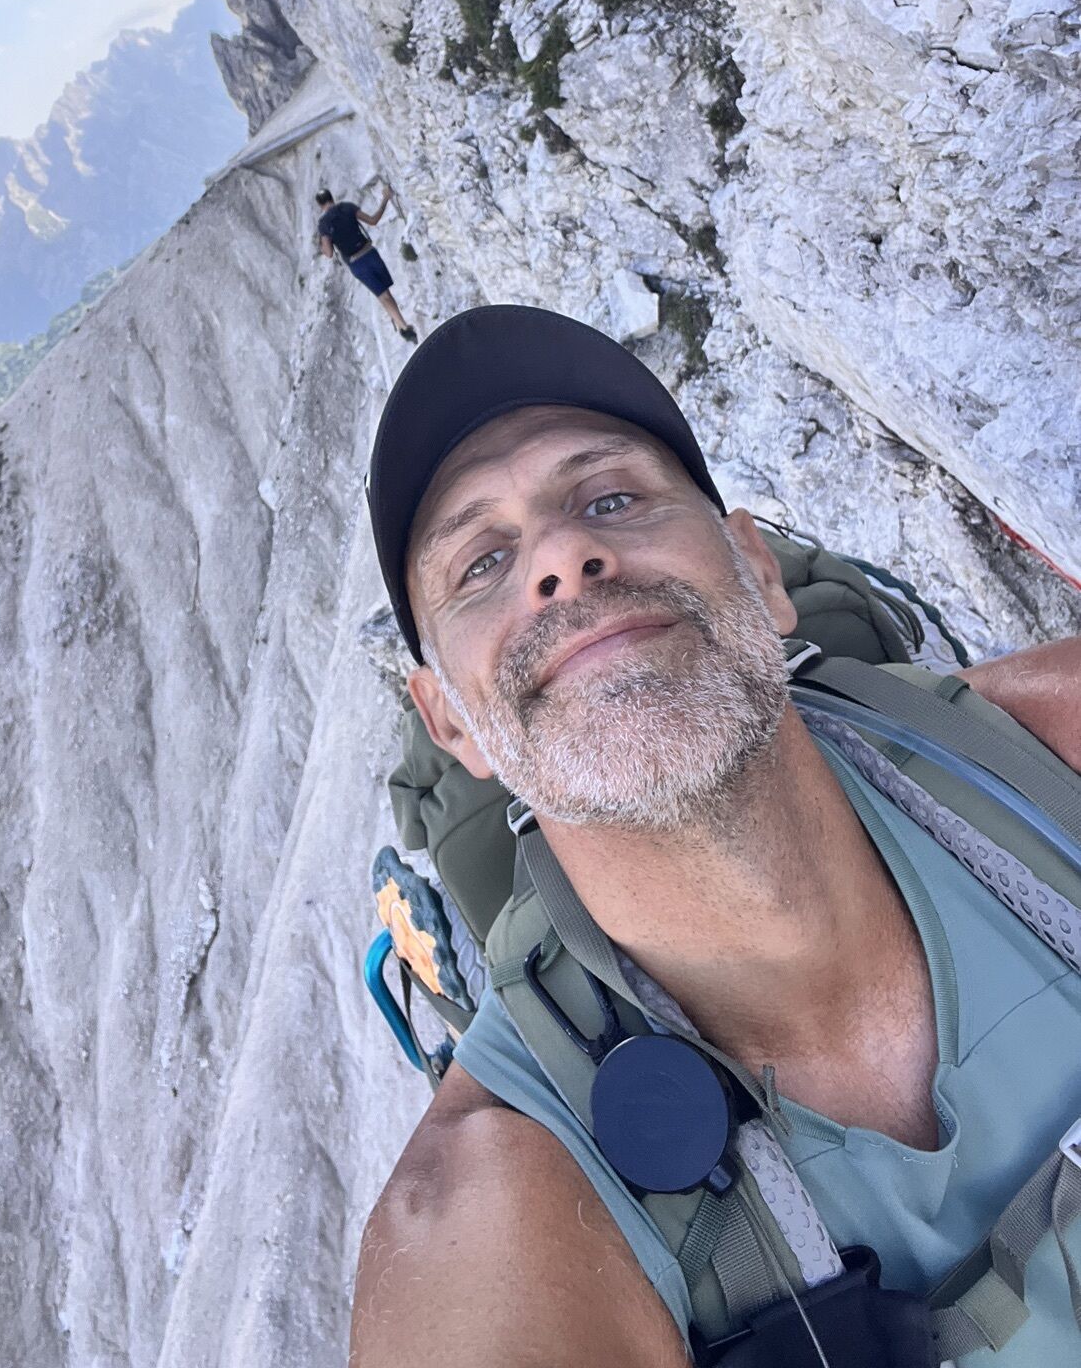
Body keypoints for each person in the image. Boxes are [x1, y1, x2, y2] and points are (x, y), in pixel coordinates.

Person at [351, 303, 1081, 1368]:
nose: (562, 553)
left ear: (758, 569)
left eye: (610, 497)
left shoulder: (1053, 749)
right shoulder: (497, 1210)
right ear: (450, 721)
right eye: (481, 563)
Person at [315, 184, 417, 342]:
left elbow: (328, 253)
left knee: (383, 295)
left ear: (320, 205)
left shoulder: (324, 224)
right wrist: (385, 199)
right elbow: (373, 220)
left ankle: (404, 328)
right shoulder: (347, 207)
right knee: (385, 293)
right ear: (331, 198)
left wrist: (321, 244)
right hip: (370, 253)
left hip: (357, 263)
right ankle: (400, 323)